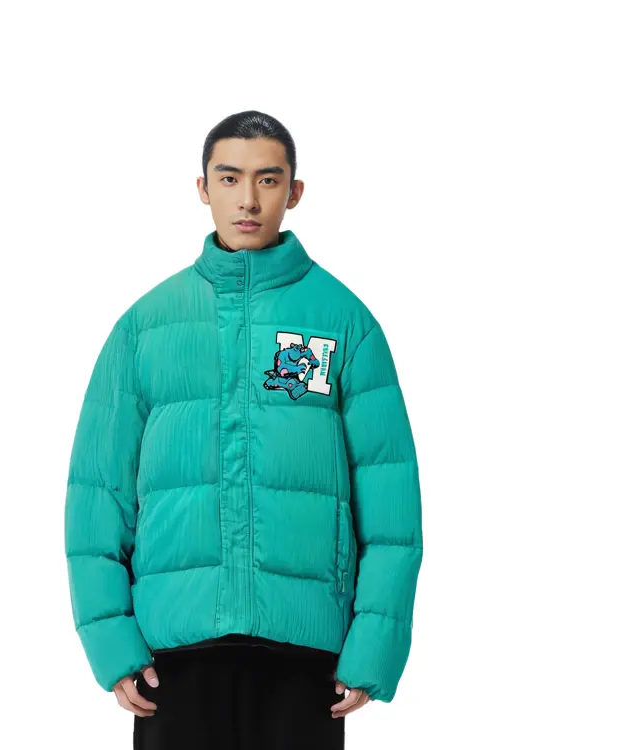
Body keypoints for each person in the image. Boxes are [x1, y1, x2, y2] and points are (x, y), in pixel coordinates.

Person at [64, 110, 423, 749]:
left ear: (295, 191)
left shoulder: (345, 322)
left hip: (306, 654)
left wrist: (373, 645)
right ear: (203, 188)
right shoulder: (145, 327)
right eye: (230, 179)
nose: (248, 200)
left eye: (268, 179)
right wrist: (111, 641)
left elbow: (391, 505)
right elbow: (97, 496)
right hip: (173, 653)